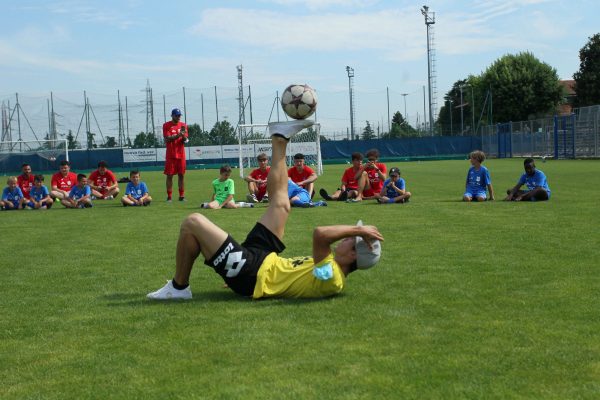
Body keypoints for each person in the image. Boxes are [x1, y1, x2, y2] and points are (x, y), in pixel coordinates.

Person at [147, 120, 383, 300]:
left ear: (352, 255)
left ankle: (178, 288)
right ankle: (280, 139)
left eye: (350, 240)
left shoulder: (333, 278)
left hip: (252, 275)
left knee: (193, 222)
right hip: (264, 260)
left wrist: (357, 230)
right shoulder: (331, 266)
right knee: (281, 205)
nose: (345, 240)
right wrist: (357, 234)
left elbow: (320, 234)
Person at [163, 107, 188, 202]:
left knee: (181, 175)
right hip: (171, 154)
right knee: (169, 175)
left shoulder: (183, 125)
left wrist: (184, 137)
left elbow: (185, 139)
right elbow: (167, 138)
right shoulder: (166, 125)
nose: (178, 117)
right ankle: (169, 196)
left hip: (181, 154)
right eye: (176, 115)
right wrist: (178, 135)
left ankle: (181, 196)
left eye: (179, 115)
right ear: (172, 116)